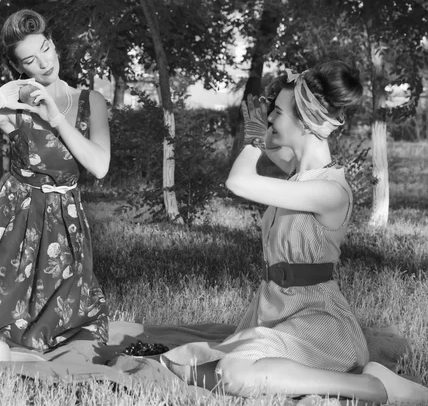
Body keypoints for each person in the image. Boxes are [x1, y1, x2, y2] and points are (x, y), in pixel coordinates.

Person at [160, 61, 428, 404]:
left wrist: (256, 137)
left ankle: (373, 387)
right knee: (185, 366)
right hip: (275, 306)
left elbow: (239, 181)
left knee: (230, 374)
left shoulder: (330, 191)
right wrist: (266, 123)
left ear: (304, 121)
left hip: (318, 318)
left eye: (279, 112)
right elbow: (279, 153)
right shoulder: (300, 175)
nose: (270, 118)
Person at [0, 9, 110, 352]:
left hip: (66, 221)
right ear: (19, 69)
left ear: (54, 45)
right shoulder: (16, 109)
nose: (43, 63)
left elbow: (99, 166)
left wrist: (56, 118)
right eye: (30, 59)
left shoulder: (91, 102)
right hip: (15, 218)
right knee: (2, 318)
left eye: (45, 48)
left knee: (70, 317)